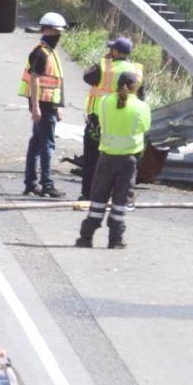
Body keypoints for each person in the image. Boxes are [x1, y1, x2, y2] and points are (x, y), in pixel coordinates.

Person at [77, 69, 150, 250]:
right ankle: (115, 239)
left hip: (106, 158)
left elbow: (102, 120)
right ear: (135, 88)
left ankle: (86, 237)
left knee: (98, 199)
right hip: (128, 160)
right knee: (119, 202)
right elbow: (145, 127)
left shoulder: (104, 102)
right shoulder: (141, 107)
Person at [79, 36, 144, 198]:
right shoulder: (137, 71)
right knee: (119, 159)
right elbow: (142, 96)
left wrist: (104, 59)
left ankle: (88, 194)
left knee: (91, 159)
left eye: (112, 49)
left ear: (115, 51)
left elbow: (87, 77)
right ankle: (116, 195)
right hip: (125, 121)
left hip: (99, 120)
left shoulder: (104, 66)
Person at [20, 12, 67, 198]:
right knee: (47, 145)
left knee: (37, 144)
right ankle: (46, 184)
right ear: (46, 30)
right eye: (55, 31)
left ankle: (31, 184)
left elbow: (56, 81)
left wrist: (59, 106)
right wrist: (36, 106)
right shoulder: (40, 52)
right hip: (43, 104)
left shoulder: (49, 52)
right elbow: (35, 79)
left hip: (49, 104)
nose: (58, 35)